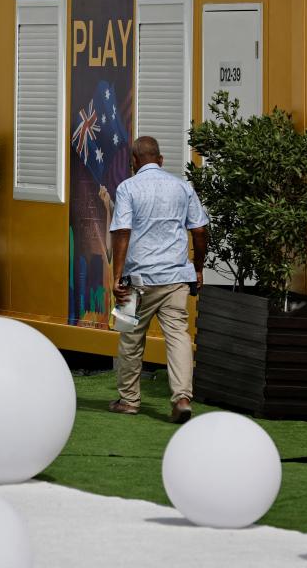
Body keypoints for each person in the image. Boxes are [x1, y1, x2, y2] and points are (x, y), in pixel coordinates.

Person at [108, 136, 208, 423]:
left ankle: (129, 401)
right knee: (177, 336)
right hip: (176, 277)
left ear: (134, 162)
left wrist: (117, 277)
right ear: (161, 160)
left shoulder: (128, 187)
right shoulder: (183, 187)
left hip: (137, 279)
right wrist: (198, 268)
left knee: (130, 337)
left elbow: (122, 231)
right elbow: (200, 231)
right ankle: (182, 398)